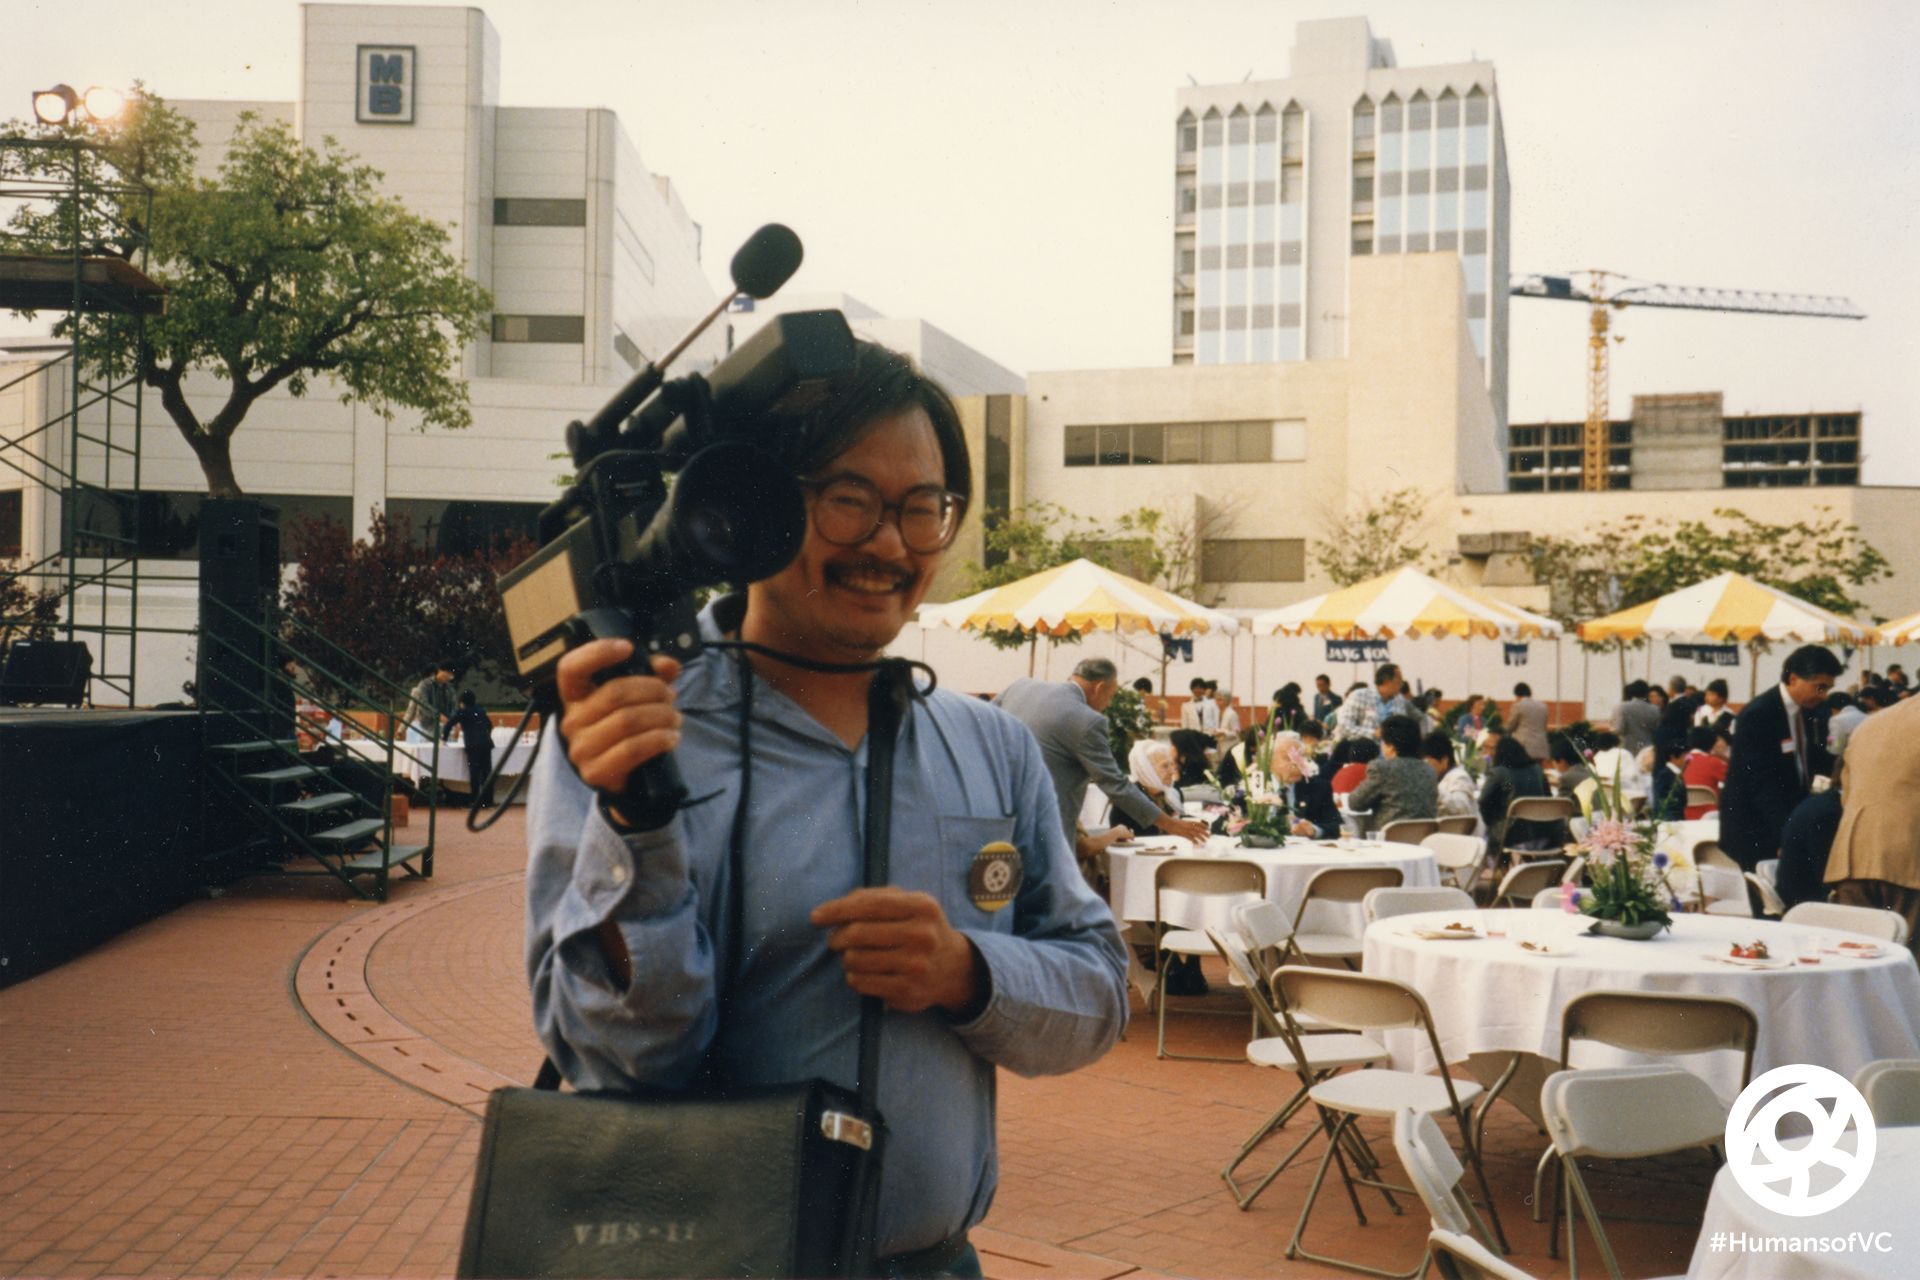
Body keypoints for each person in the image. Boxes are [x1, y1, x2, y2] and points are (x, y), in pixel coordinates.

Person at [525, 339, 1129, 1272]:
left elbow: (1099, 991)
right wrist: (635, 827)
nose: (890, 543)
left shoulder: (993, 746)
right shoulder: (629, 723)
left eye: (922, 509)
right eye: (850, 500)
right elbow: (613, 1062)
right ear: (753, 505)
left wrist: (968, 972)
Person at [996, 657, 1211, 848]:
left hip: (998, 817)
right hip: (1044, 833)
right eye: (1110, 697)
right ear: (1099, 687)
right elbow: (1114, 784)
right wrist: (1171, 824)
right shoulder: (1088, 720)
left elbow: (982, 723)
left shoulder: (1021, 686)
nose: (1107, 704)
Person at [1720, 644, 1842, 871]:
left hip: (1786, 817)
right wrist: (1787, 835)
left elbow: (1806, 755)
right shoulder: (1759, 713)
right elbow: (1763, 785)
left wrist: (1844, 764)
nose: (1824, 696)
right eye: (1820, 687)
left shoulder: (1803, 709)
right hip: (1757, 829)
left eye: (1828, 689)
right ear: (1794, 679)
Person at [1824, 693, 1920, 949]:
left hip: (1852, 857)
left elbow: (1847, 790)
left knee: (1858, 969)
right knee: (1906, 970)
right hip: (1908, 863)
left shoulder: (1873, 722)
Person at [1347, 714, 1439, 832]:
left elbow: (1355, 803)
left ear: (1391, 746)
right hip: (1422, 841)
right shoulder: (1429, 769)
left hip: (1388, 842)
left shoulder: (1382, 768)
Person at [1480, 734, 1555, 852]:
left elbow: (1483, 801)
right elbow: (1548, 798)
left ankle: (1496, 867)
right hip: (1543, 835)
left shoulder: (1499, 772)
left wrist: (1493, 821)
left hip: (1511, 836)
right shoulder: (1537, 770)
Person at [1268, 729, 1341, 838]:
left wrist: (1314, 830)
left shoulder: (1318, 788)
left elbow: (1337, 828)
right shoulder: (1252, 786)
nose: (1296, 765)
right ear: (1270, 761)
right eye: (1288, 758)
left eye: (1300, 757)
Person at [1333, 663, 1412, 743]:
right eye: (1399, 680)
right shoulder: (1359, 696)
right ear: (1386, 681)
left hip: (1391, 753)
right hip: (1365, 751)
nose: (1402, 684)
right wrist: (1374, 733)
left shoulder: (1399, 700)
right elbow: (1344, 728)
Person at [447, 691, 497, 809]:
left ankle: (475, 800)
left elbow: (449, 724)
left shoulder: (462, 711)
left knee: (475, 773)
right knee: (487, 773)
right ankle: (488, 801)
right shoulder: (481, 711)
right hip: (486, 744)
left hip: (473, 745)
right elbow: (489, 725)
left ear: (462, 703)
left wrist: (444, 737)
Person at [1418, 730, 1476, 819]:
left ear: (1444, 759)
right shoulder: (1438, 778)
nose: (1424, 768)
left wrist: (1433, 790)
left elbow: (1462, 807)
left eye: (1427, 763)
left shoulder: (1459, 776)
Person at [1679, 725, 1730, 820]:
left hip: (1685, 813)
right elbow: (1737, 779)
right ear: (1712, 744)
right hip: (1710, 814)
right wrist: (1725, 758)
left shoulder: (1682, 761)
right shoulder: (1712, 762)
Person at [408, 659, 458, 742]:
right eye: (447, 674)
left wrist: (453, 720)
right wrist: (438, 716)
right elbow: (423, 704)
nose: (448, 678)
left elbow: (453, 706)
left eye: (451, 676)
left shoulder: (450, 688)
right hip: (426, 726)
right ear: (439, 670)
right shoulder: (425, 684)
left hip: (444, 727)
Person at [1608, 681, 1661, 756]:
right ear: (1646, 693)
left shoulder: (1622, 707)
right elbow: (1658, 730)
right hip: (1647, 749)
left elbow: (1618, 729)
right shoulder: (1655, 709)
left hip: (1627, 748)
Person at [1505, 682, 1549, 761]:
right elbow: (1544, 726)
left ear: (1517, 694)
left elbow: (1510, 726)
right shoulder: (1543, 706)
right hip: (1540, 746)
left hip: (1524, 747)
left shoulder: (1518, 706)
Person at [1546, 734, 1594, 803]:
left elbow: (1561, 805)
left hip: (1578, 813)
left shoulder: (1565, 778)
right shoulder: (1589, 774)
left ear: (1561, 761)